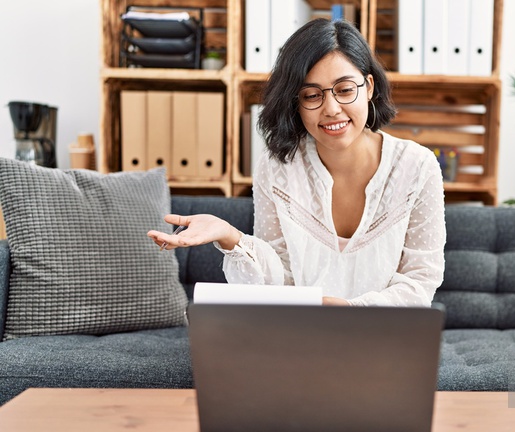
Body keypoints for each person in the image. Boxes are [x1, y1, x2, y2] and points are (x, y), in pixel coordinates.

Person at [148, 18, 446, 306]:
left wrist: (351, 311)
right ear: (296, 103)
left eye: (344, 90)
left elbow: (420, 282)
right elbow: (279, 276)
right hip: (298, 337)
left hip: (384, 337)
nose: (331, 109)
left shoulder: (418, 167)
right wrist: (231, 238)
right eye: (311, 95)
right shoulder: (277, 166)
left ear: (369, 87)